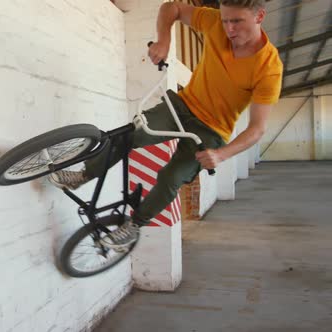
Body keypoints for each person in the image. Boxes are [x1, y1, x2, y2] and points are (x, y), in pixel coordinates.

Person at [49, 0, 283, 247]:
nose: (229, 29)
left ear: (259, 17)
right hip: (181, 107)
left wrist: (222, 155)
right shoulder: (215, 23)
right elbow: (172, 8)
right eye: (225, 20)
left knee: (172, 178)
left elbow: (257, 129)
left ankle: (134, 224)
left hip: (211, 131)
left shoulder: (269, 68)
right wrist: (164, 40)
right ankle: (84, 174)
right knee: (128, 135)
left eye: (237, 21)